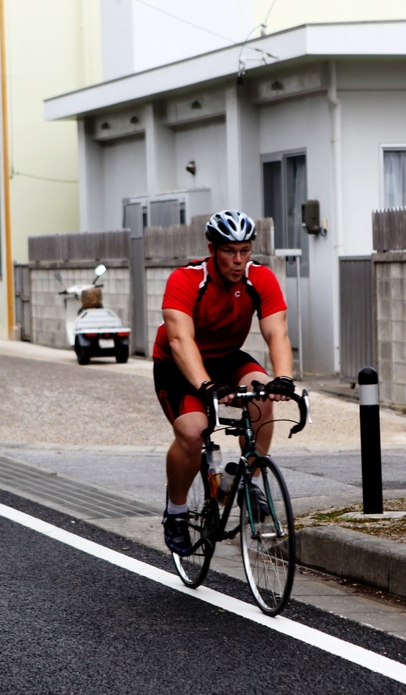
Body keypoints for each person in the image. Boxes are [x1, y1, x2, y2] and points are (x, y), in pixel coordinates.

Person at [153, 209, 295, 555]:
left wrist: (284, 378)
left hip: (227, 356)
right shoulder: (187, 279)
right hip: (178, 363)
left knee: (261, 394)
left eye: (245, 251)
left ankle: (253, 481)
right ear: (212, 249)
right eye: (230, 251)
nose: (238, 260)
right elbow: (179, 340)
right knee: (192, 432)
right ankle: (176, 512)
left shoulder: (259, 278)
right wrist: (205, 385)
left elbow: (277, 331)